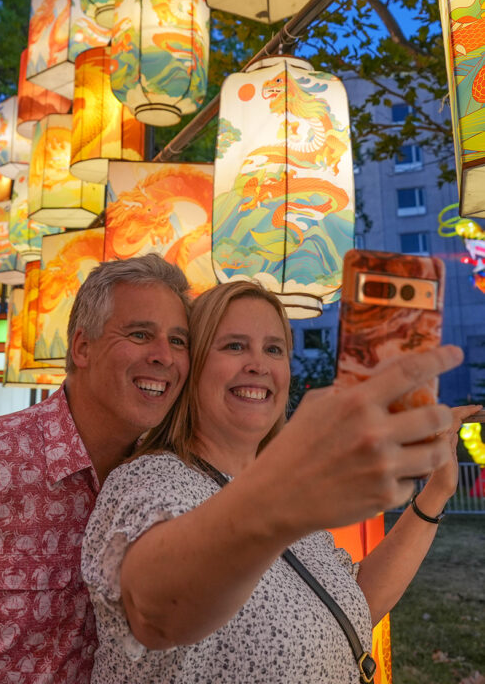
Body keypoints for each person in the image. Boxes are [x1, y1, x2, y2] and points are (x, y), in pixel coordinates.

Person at [82, 280, 478, 684]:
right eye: (234, 346)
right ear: (194, 365)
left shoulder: (276, 490)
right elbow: (157, 609)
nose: (259, 365)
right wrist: (277, 497)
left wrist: (437, 492)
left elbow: (352, 604)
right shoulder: (149, 482)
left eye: (273, 349)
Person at [0, 254, 191, 684]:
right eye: (140, 334)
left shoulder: (169, 487)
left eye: (179, 341)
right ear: (82, 347)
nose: (165, 357)